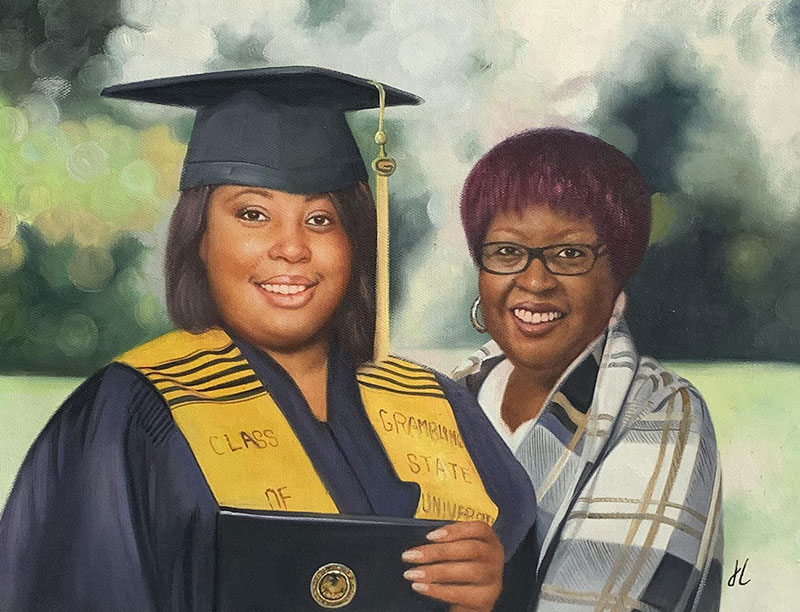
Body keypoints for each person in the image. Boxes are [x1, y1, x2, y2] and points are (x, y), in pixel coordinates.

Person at [0, 67, 536, 612]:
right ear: (199, 238)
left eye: (322, 219)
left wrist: (493, 587)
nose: (292, 248)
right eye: (253, 214)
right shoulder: (131, 416)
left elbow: (522, 567)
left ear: (357, 243)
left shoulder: (437, 406)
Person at [454, 128, 723, 612]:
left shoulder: (659, 412)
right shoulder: (448, 396)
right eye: (507, 252)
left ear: (618, 273)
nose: (534, 281)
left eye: (570, 254)